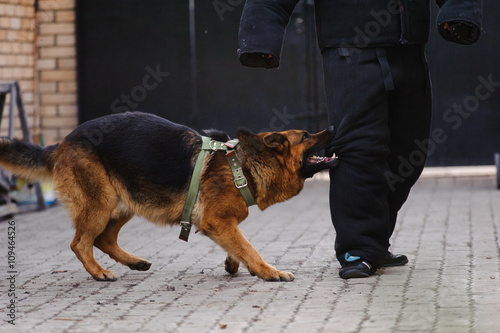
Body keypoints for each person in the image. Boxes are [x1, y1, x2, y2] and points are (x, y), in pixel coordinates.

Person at [237, 0, 482, 279]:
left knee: (410, 151)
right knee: (358, 149)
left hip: (409, 50)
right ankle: (358, 249)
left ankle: (374, 241)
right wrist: (259, 36)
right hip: (349, 52)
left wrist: (461, 12)